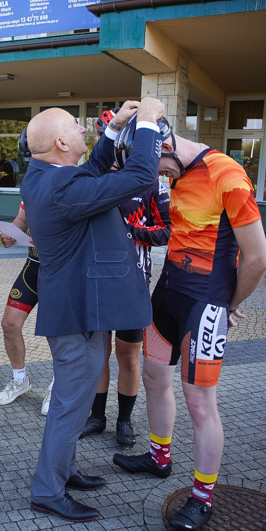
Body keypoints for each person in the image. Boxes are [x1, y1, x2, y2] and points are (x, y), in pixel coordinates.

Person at [112, 114, 266, 531]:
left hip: (206, 302)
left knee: (200, 402)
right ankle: (159, 458)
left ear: (167, 147)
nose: (157, 179)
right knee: (152, 376)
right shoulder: (174, 175)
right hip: (167, 295)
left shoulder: (227, 173)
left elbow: (259, 258)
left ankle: (202, 498)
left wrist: (229, 304)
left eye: (156, 168)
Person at [20, 98, 166, 523]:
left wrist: (115, 128)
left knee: (75, 400)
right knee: (72, 405)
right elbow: (140, 175)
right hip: (77, 315)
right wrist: (148, 125)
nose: (84, 127)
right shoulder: (62, 188)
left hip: (81, 309)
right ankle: (48, 489)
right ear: (62, 141)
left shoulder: (44, 175)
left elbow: (90, 168)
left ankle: (63, 471)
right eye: (76, 125)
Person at [81, 111, 172, 448]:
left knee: (129, 356)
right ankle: (97, 416)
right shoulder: (97, 179)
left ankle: (123, 421)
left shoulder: (151, 182)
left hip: (134, 282)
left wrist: (130, 232)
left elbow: (168, 231)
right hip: (99, 282)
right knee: (98, 354)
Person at [0, 128, 53, 415]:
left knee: (58, 334)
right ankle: (20, 380)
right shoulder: (32, 181)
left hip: (60, 270)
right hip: (33, 265)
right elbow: (21, 219)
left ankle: (58, 386)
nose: (33, 163)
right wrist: (9, 235)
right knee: (9, 323)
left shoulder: (72, 179)